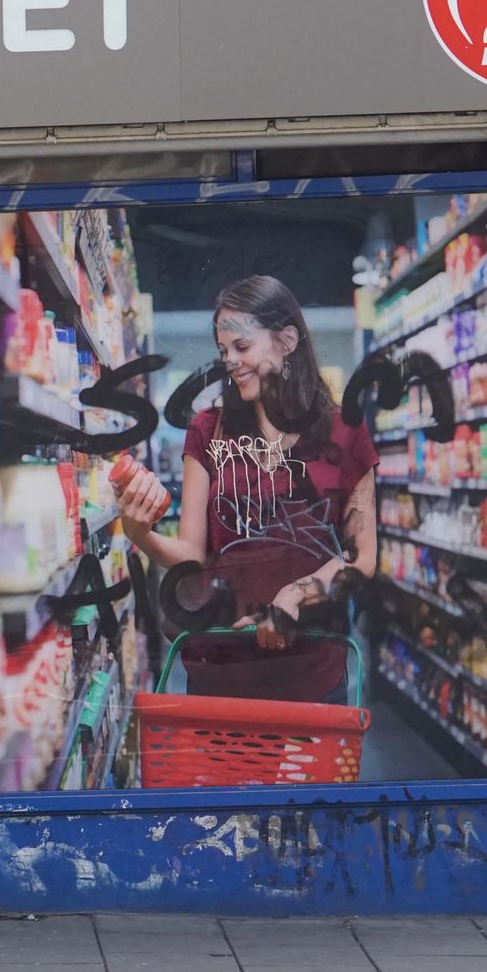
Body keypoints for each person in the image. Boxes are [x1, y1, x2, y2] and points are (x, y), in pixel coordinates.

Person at [116, 274, 377, 701]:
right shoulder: (207, 430)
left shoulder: (344, 431)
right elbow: (192, 554)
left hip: (311, 670)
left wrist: (293, 596)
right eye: (223, 351)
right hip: (220, 671)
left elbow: (361, 557)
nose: (230, 362)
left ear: (287, 339)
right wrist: (139, 533)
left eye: (242, 347)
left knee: (310, 772)